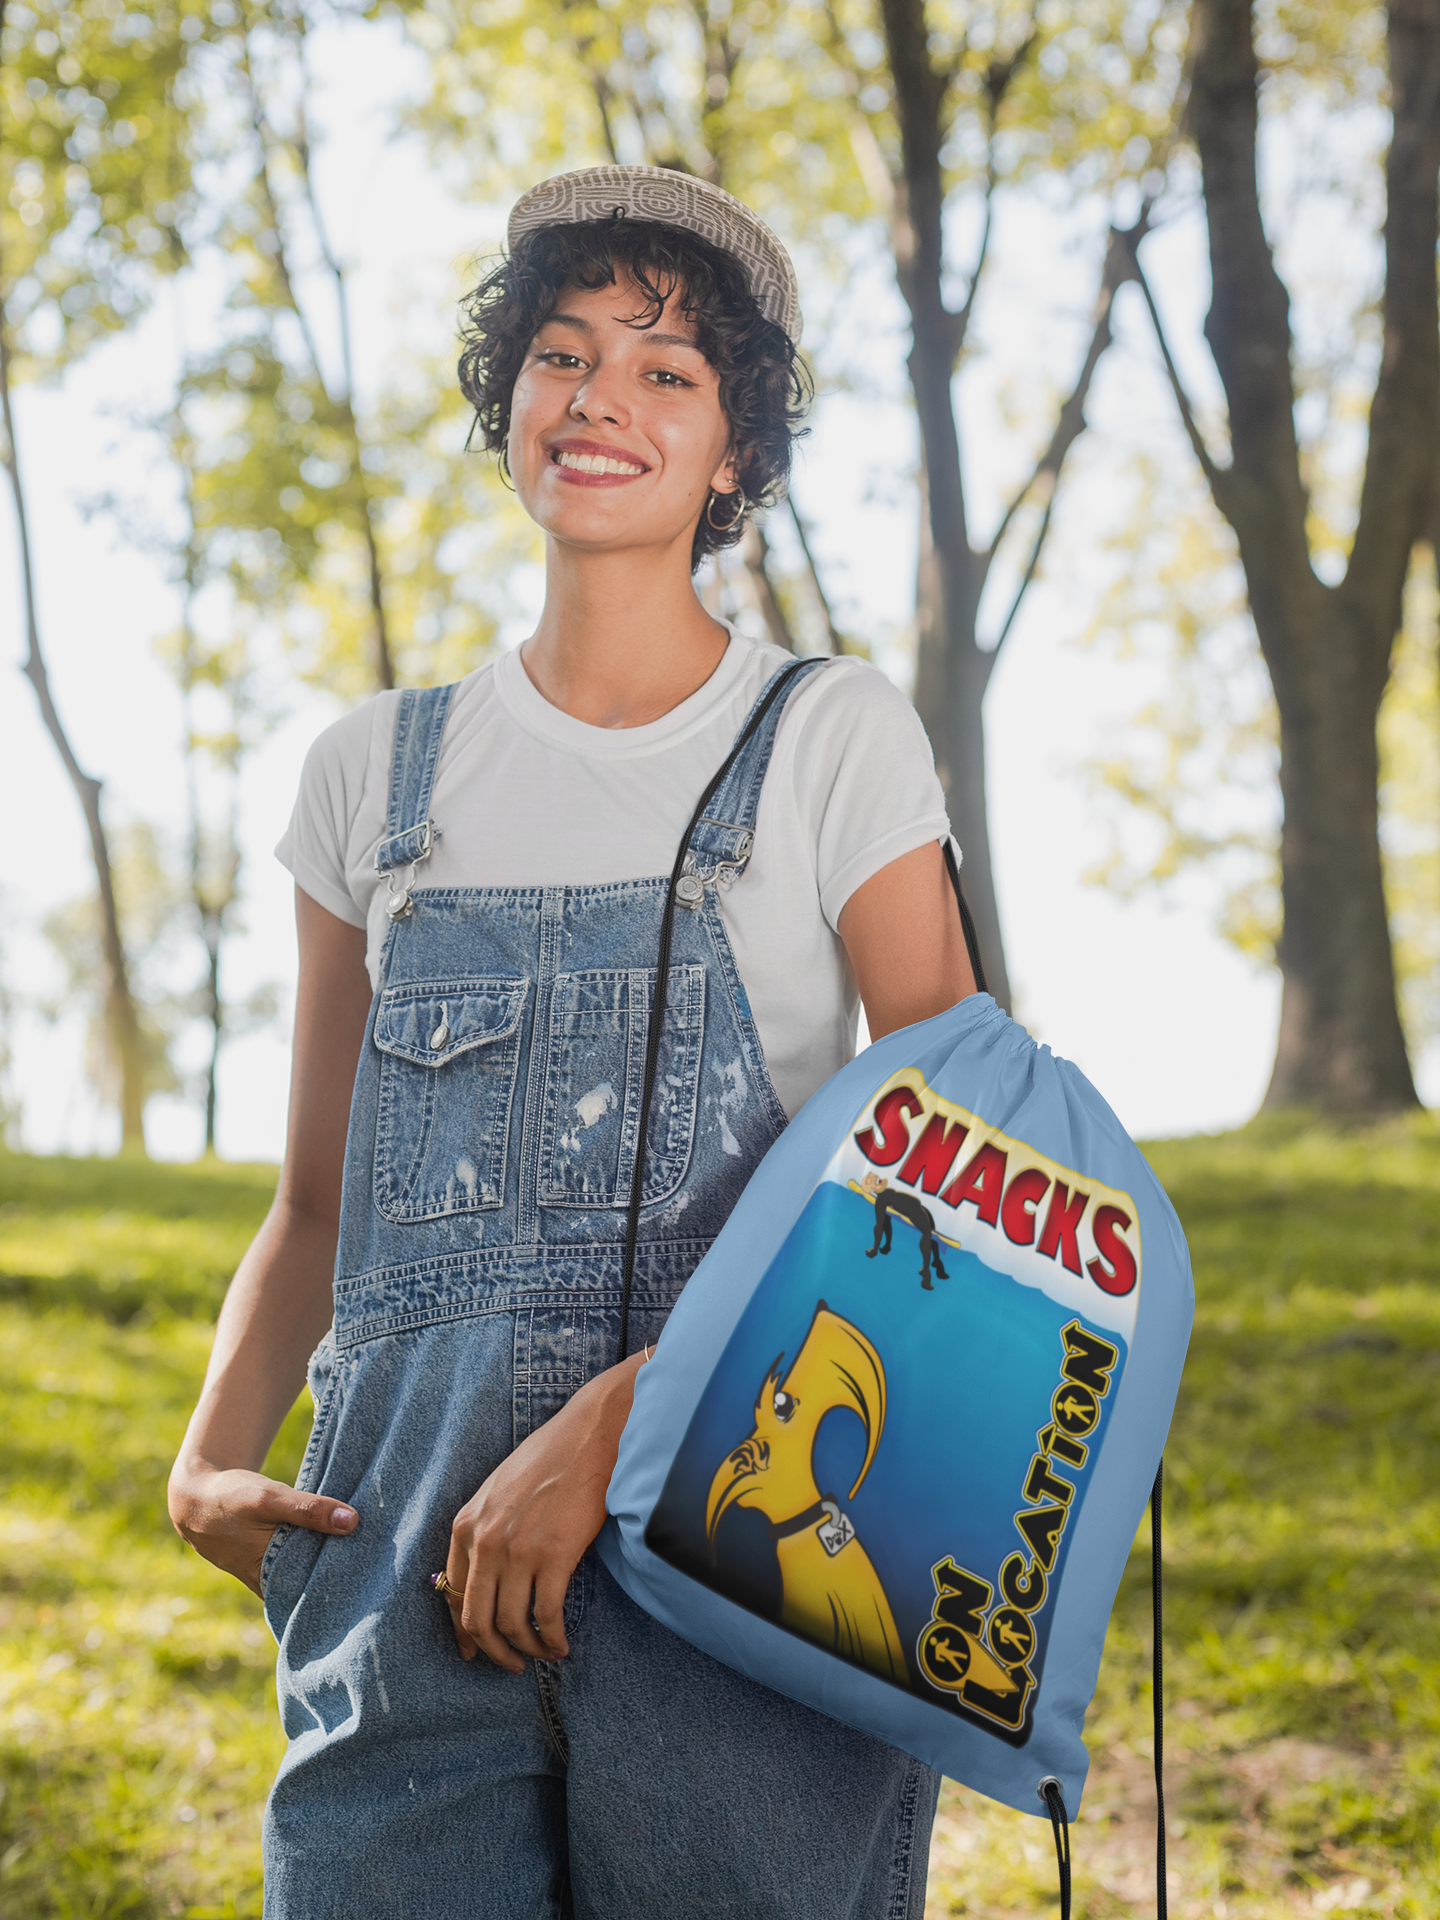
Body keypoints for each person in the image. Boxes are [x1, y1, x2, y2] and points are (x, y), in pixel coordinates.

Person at [168, 164, 977, 1920]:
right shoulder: (369, 776)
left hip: (734, 1557)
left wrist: (628, 1421)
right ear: (509, 402)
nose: (603, 395)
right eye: (562, 353)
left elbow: (954, 1171)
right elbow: (318, 1205)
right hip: (396, 1573)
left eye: (669, 370)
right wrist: (209, 1454)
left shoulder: (826, 736)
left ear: (735, 454)